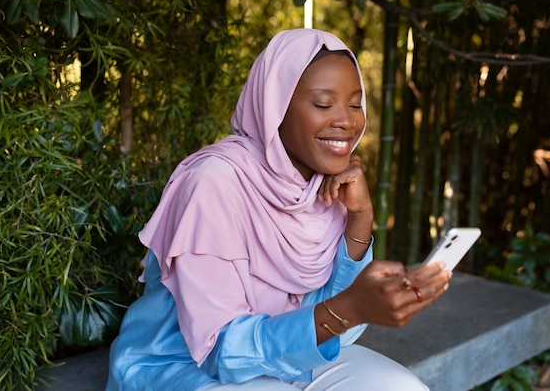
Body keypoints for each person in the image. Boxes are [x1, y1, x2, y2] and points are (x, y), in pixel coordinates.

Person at [106, 28, 452, 391]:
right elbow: (220, 353)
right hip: (181, 364)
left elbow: (337, 333)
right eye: (322, 104)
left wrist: (360, 218)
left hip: (282, 357)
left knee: (401, 387)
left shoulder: (324, 186)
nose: (347, 122)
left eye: (355, 103)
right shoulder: (212, 183)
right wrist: (352, 307)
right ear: (274, 107)